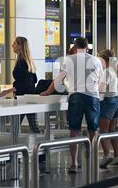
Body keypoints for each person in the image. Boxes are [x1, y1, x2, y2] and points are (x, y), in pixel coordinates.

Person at [41, 37, 103, 174]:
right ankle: (92, 159)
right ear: (88, 48)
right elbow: (101, 81)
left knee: (74, 130)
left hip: (76, 96)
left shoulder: (69, 60)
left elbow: (58, 80)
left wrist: (47, 91)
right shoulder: (96, 60)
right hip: (92, 96)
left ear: (75, 47)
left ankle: (74, 163)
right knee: (93, 130)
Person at [0, 37, 40, 133]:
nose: (12, 45)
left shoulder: (22, 62)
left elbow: (24, 83)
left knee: (16, 125)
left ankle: (16, 145)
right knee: (32, 126)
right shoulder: (28, 61)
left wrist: (8, 91)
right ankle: (42, 146)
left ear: (20, 46)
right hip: (30, 97)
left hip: (23, 98)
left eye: (15, 43)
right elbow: (34, 79)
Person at [98, 50, 118, 169]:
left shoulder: (106, 72)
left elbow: (102, 88)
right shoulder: (115, 71)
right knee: (112, 130)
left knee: (103, 131)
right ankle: (117, 155)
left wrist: (97, 98)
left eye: (100, 59)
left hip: (108, 101)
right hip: (116, 100)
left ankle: (107, 154)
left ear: (105, 60)